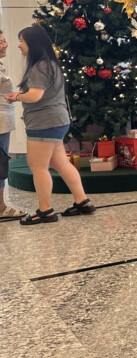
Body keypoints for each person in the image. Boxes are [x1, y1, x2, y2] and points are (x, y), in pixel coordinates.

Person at [4, 26, 94, 224]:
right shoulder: (51, 64)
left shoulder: (40, 66)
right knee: (60, 163)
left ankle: (45, 210)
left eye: (21, 41)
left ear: (32, 43)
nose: (18, 45)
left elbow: (35, 96)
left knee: (38, 166)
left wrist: (17, 96)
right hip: (56, 121)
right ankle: (82, 201)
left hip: (44, 123)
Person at [0, 29, 26, 219]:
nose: (6, 44)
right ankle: (1, 208)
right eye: (1, 42)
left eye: (4, 40)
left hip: (4, 121)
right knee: (0, 164)